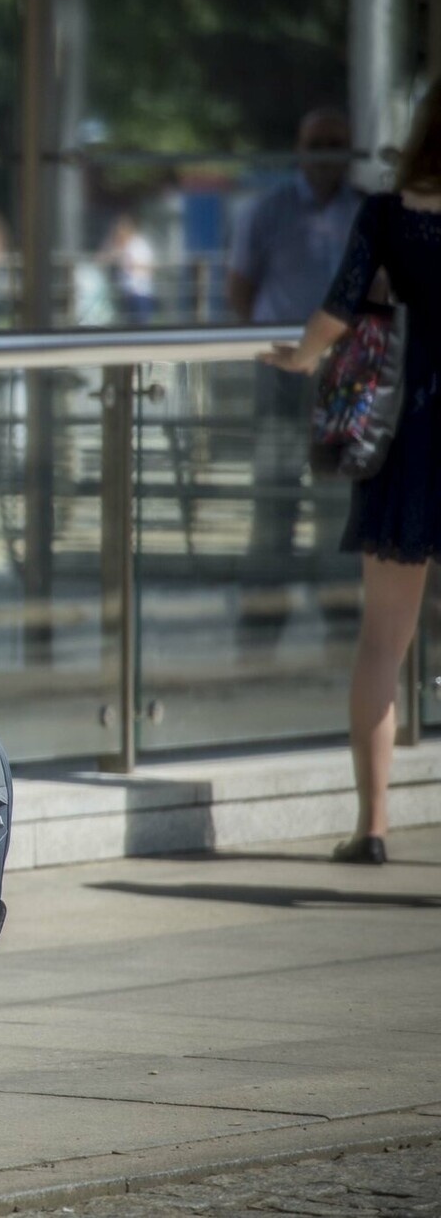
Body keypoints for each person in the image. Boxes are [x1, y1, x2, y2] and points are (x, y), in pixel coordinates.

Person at [260, 83, 441, 867]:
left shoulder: (385, 211)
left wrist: (301, 357)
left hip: (406, 434)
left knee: (382, 640)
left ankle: (373, 825)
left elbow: (339, 306)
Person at [232, 108, 366, 645]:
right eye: (317, 142)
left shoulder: (365, 211)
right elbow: (240, 290)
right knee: (273, 494)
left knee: (337, 501)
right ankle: (264, 621)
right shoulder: (268, 211)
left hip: (346, 373)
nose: (326, 153)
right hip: (281, 373)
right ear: (300, 148)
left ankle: (341, 619)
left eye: (337, 142)